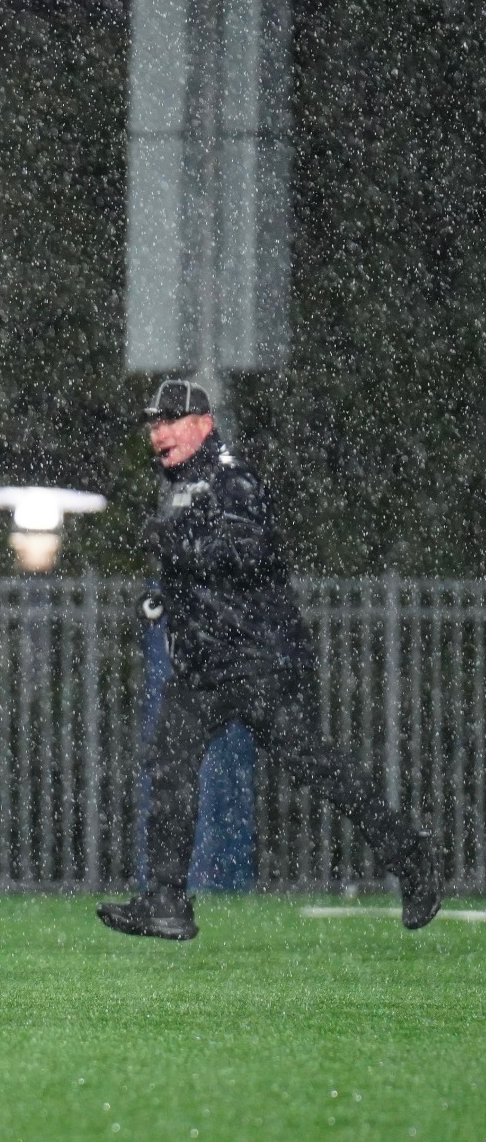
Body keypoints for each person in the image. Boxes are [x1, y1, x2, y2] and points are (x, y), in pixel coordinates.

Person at [99, 379, 442, 940]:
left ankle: (410, 855)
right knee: (169, 766)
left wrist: (181, 546)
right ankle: (166, 902)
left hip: (256, 658)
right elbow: (202, 565)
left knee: (315, 765)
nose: (158, 433)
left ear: (203, 424)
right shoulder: (184, 482)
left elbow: (250, 551)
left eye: (170, 420)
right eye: (153, 423)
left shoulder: (232, 476)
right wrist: (165, 594)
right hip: (208, 666)